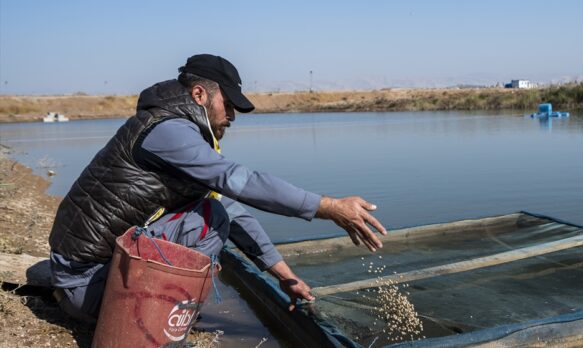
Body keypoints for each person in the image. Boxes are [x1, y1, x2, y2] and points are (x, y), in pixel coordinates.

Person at [47, 54, 387, 324]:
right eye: (229, 105)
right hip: (87, 287)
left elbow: (236, 212)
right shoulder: (169, 132)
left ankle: (159, 309)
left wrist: (285, 277)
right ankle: (154, 320)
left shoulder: (172, 129)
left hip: (83, 278)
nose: (233, 117)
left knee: (218, 212)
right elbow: (242, 182)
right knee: (210, 218)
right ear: (200, 94)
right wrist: (328, 206)